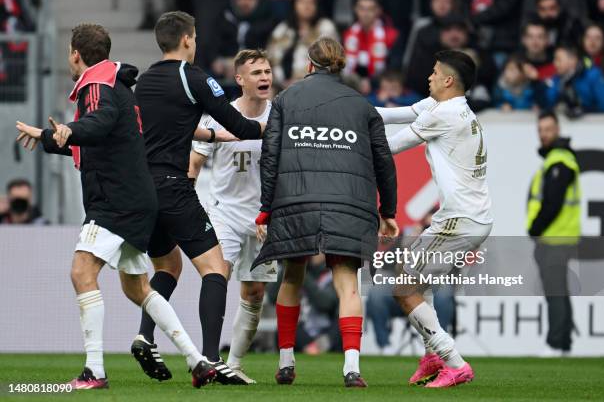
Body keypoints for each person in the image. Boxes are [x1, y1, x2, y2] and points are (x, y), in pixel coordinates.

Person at [14, 23, 216, 390]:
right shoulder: (115, 84)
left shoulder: (96, 85)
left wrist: (71, 130)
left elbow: (99, 123)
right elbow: (103, 135)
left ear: (75, 54)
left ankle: (94, 371)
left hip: (114, 202)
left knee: (81, 272)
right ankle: (197, 360)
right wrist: (48, 136)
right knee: (137, 288)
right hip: (136, 200)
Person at [252, 37, 398, 388]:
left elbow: (269, 158)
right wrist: (387, 210)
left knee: (291, 276)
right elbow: (384, 162)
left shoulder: (285, 100)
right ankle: (351, 368)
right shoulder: (363, 106)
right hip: (350, 203)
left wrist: (265, 210)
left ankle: (286, 362)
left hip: (295, 201)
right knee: (348, 284)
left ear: (309, 65)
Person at [132, 11, 264, 385]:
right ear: (188, 39)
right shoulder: (195, 78)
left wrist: (213, 138)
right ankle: (210, 358)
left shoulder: (145, 81)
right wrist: (273, 128)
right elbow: (238, 123)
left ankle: (145, 335)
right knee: (215, 267)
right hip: (173, 183)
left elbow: (172, 125)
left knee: (168, 266)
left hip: (144, 188)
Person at [376, 50, 493, 388]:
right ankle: (432, 356)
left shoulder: (447, 114)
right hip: (462, 217)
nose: (428, 76)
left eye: (434, 71)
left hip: (461, 220)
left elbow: (391, 146)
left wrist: (346, 140)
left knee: (404, 288)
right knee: (412, 280)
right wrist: (345, 108)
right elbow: (389, 113)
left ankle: (453, 361)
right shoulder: (444, 107)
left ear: (448, 80)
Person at [188, 49, 278, 384]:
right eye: (256, 73)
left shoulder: (281, 116)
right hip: (223, 213)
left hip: (263, 220)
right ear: (239, 79)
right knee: (216, 279)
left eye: (267, 71)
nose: (264, 77)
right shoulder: (219, 115)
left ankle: (235, 363)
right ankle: (208, 357)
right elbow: (194, 164)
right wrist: (190, 202)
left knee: (254, 293)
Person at [527, 111, 580, 355]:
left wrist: (535, 228)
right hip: (558, 237)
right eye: (541, 130)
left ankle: (556, 343)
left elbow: (553, 202)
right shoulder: (558, 159)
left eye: (548, 129)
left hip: (555, 238)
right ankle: (564, 344)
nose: (544, 134)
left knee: (555, 291)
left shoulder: (559, 161)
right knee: (560, 291)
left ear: (558, 129)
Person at [266, 0, 339, 88]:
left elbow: (332, 64)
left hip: (316, 87)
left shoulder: (326, 28)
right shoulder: (282, 30)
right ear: (294, 4)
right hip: (282, 87)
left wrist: (300, 81)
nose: (306, 6)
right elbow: (270, 60)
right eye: (302, 1)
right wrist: (282, 82)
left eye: (311, 2)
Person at [209, 0, 277, 80]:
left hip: (257, 66)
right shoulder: (225, 16)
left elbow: (271, 52)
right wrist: (215, 61)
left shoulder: (269, 20)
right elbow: (212, 44)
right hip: (226, 66)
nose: (244, 2)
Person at [543, 45, 604, 116]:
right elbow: (547, 103)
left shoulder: (593, 74)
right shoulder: (557, 79)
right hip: (569, 125)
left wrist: (584, 110)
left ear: (573, 60)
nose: (554, 63)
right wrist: (562, 86)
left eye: (558, 59)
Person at [343, 0, 399, 78]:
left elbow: (394, 69)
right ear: (355, 9)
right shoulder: (347, 35)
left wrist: (372, 83)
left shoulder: (392, 36)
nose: (365, 14)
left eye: (370, 9)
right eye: (361, 9)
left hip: (379, 85)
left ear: (379, 10)